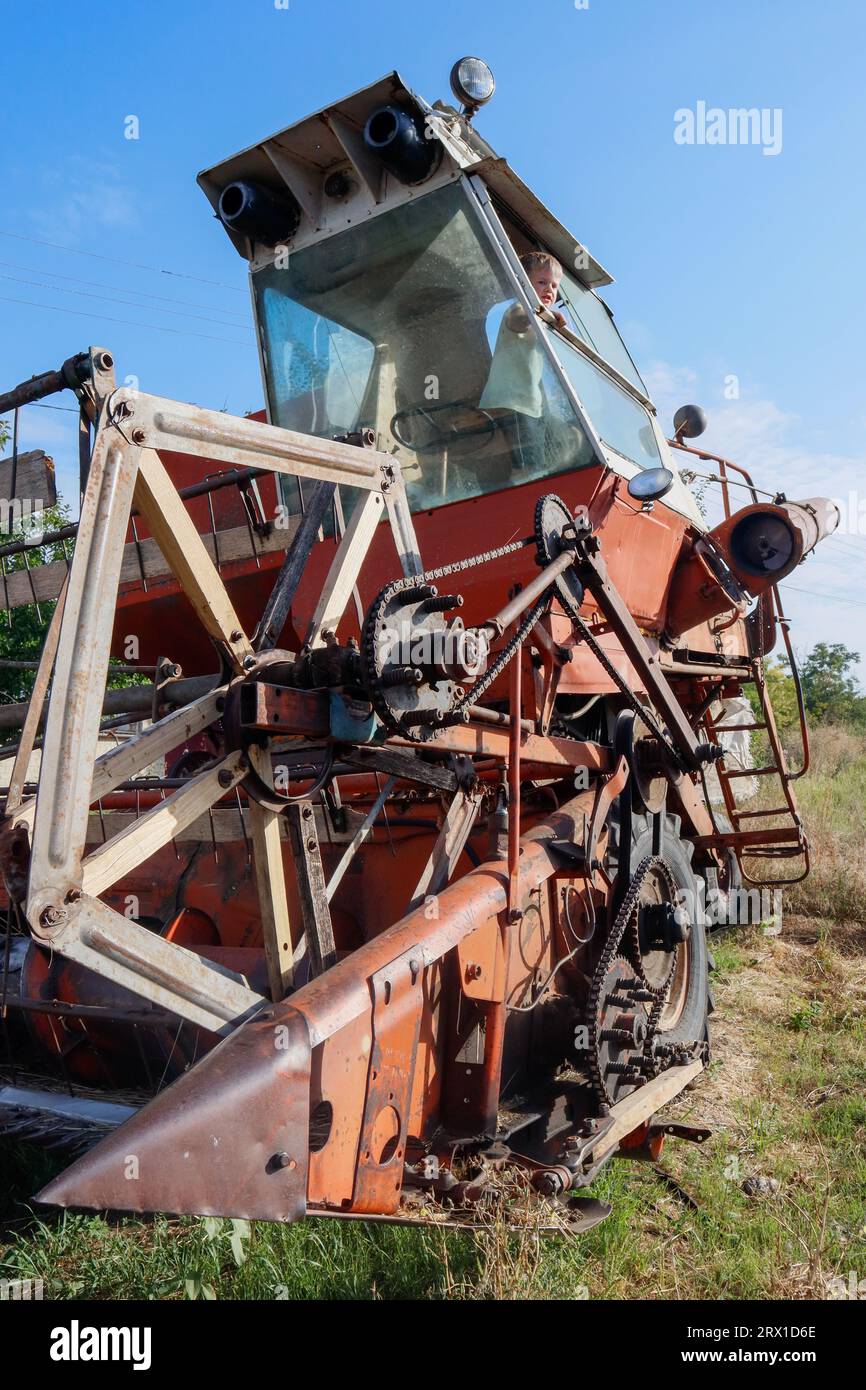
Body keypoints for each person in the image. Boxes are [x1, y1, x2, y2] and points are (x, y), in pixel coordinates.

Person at [478, 251, 567, 474]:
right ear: (523, 283)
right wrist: (540, 315)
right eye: (542, 282)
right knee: (526, 467)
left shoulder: (540, 320)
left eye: (555, 286)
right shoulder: (519, 308)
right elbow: (517, 321)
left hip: (530, 405)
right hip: (510, 402)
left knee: (544, 458)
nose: (549, 290)